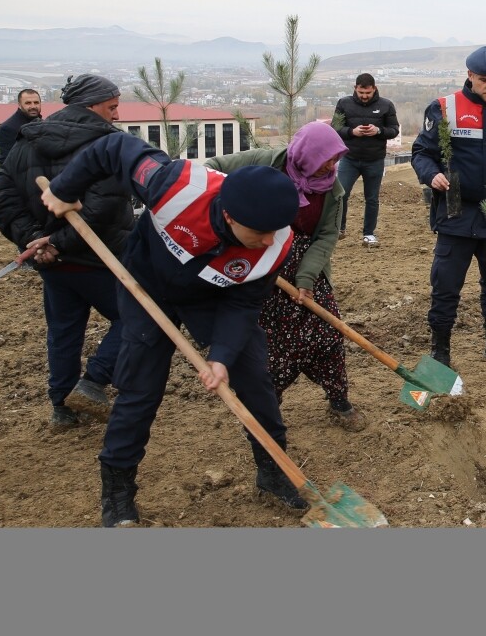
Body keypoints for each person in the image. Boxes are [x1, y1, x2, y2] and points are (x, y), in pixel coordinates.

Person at [40, 133, 307, 526]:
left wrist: (221, 358)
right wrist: (65, 189)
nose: (270, 240)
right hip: (147, 285)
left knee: (254, 380)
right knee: (139, 388)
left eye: (275, 230)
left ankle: (273, 471)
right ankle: (117, 491)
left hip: (216, 298)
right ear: (231, 217)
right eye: (260, 232)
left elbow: (244, 304)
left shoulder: (275, 242)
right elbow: (113, 148)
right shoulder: (175, 187)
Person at [205, 121, 365, 432]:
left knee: (328, 336)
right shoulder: (264, 162)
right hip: (260, 263)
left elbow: (327, 235)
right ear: (306, 155)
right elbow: (212, 168)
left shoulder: (332, 189)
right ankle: (265, 413)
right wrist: (229, 217)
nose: (332, 166)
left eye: (336, 159)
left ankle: (339, 400)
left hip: (306, 265)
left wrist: (306, 280)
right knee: (271, 347)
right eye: (326, 160)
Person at [0, 75, 131, 429]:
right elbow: (105, 208)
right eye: (112, 107)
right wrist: (53, 241)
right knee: (136, 318)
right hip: (101, 260)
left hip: (52, 264)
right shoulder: (109, 144)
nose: (116, 115)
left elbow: (5, 201)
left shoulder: (27, 143)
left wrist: (36, 240)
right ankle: (92, 382)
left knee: (64, 332)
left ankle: (63, 408)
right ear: (92, 105)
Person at [411, 46, 486, 369]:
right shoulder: (444, 109)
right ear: (470, 76)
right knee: (446, 285)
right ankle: (441, 350)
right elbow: (421, 152)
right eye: (484, 80)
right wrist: (430, 174)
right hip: (456, 214)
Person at [333, 72, 399, 248]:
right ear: (355, 88)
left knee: (372, 198)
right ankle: (339, 229)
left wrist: (378, 131)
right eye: (361, 93)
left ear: (374, 89)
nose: (364, 96)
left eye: (367, 93)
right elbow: (336, 127)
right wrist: (351, 132)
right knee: (341, 194)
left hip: (374, 159)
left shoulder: (386, 105)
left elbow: (394, 130)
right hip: (350, 158)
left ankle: (368, 234)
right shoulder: (344, 103)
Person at [0, 88, 43, 165]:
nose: (33, 106)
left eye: (36, 102)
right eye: (28, 103)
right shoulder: (8, 128)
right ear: (19, 105)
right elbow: (8, 161)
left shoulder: (44, 123)